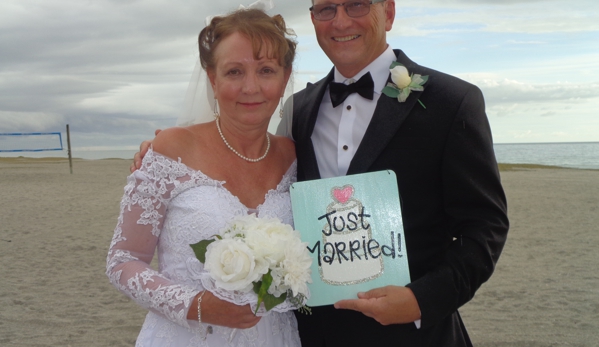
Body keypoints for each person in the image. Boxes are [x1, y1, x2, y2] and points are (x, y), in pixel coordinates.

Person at [133, 0, 509, 346]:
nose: (341, 21)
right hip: (311, 334)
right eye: (326, 8)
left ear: (389, 12)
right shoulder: (299, 110)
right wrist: (168, 150)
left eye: (357, 4)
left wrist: (421, 300)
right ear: (313, 18)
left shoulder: (452, 101)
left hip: (415, 336)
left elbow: (484, 226)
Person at [107, 8, 302, 346]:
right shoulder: (172, 148)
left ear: (284, 79)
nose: (251, 87)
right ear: (213, 79)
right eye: (234, 72)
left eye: (266, 70)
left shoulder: (296, 158)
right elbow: (123, 261)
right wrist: (195, 306)